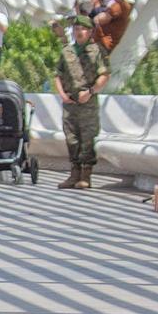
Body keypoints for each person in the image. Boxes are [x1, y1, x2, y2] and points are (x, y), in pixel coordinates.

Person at [55, 14, 109, 189]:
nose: (79, 32)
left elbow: (104, 75)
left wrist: (91, 91)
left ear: (90, 31)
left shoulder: (97, 51)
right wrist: (62, 94)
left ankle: (86, 175)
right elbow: (58, 75)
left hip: (87, 102)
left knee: (87, 138)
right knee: (71, 138)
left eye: (82, 29)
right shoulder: (67, 51)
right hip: (70, 102)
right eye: (76, 29)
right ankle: (74, 173)